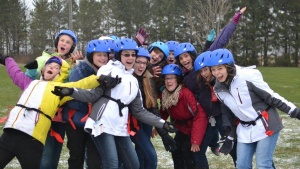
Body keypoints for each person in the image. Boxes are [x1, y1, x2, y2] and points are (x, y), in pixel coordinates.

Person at [51, 38, 176, 169]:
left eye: (133, 54)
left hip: (120, 126)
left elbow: (139, 111)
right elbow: (93, 94)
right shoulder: (109, 70)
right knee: (111, 163)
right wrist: (71, 91)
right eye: (126, 54)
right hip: (102, 122)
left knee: (133, 164)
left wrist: (162, 123)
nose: (130, 58)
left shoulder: (133, 81)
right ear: (119, 55)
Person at [0, 55, 118, 168]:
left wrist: (100, 79)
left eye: (57, 68)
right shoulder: (29, 83)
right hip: (9, 134)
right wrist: (7, 59)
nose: (52, 67)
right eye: (50, 65)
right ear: (43, 69)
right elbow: (15, 73)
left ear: (60, 74)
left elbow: (81, 84)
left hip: (32, 140)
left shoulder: (59, 90)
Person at [173, 7, 247, 168]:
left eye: (186, 56)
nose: (185, 60)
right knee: (197, 151)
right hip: (207, 118)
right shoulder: (184, 77)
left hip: (223, 113)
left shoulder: (204, 61)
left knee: (234, 149)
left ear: (192, 55)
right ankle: (213, 145)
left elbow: (220, 42)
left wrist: (234, 21)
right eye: (181, 58)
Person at [207, 48, 300, 169]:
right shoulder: (218, 88)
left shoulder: (247, 76)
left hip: (266, 123)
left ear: (229, 67)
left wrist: (295, 112)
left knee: (263, 164)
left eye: (220, 68)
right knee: (241, 165)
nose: (216, 73)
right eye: (213, 69)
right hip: (245, 129)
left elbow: (271, 97)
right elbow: (227, 113)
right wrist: (229, 135)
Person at [61, 39, 109, 168]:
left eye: (105, 55)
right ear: (91, 56)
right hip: (76, 122)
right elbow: (73, 99)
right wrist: (92, 102)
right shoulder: (80, 71)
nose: (103, 58)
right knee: (76, 157)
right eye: (99, 55)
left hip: (94, 123)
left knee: (95, 159)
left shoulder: (105, 71)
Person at [130, 47, 176, 169]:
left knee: (143, 154)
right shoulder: (127, 78)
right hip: (131, 124)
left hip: (144, 122)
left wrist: (164, 134)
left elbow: (153, 108)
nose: (141, 66)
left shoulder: (148, 79)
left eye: (144, 63)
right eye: (138, 62)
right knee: (150, 156)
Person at [160, 64, 208, 169]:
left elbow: (200, 116)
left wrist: (195, 140)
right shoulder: (165, 94)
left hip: (194, 127)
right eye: (167, 78)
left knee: (188, 151)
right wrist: (157, 124)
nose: (169, 81)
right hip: (182, 129)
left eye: (172, 78)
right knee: (175, 148)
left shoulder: (185, 93)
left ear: (178, 79)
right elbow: (164, 111)